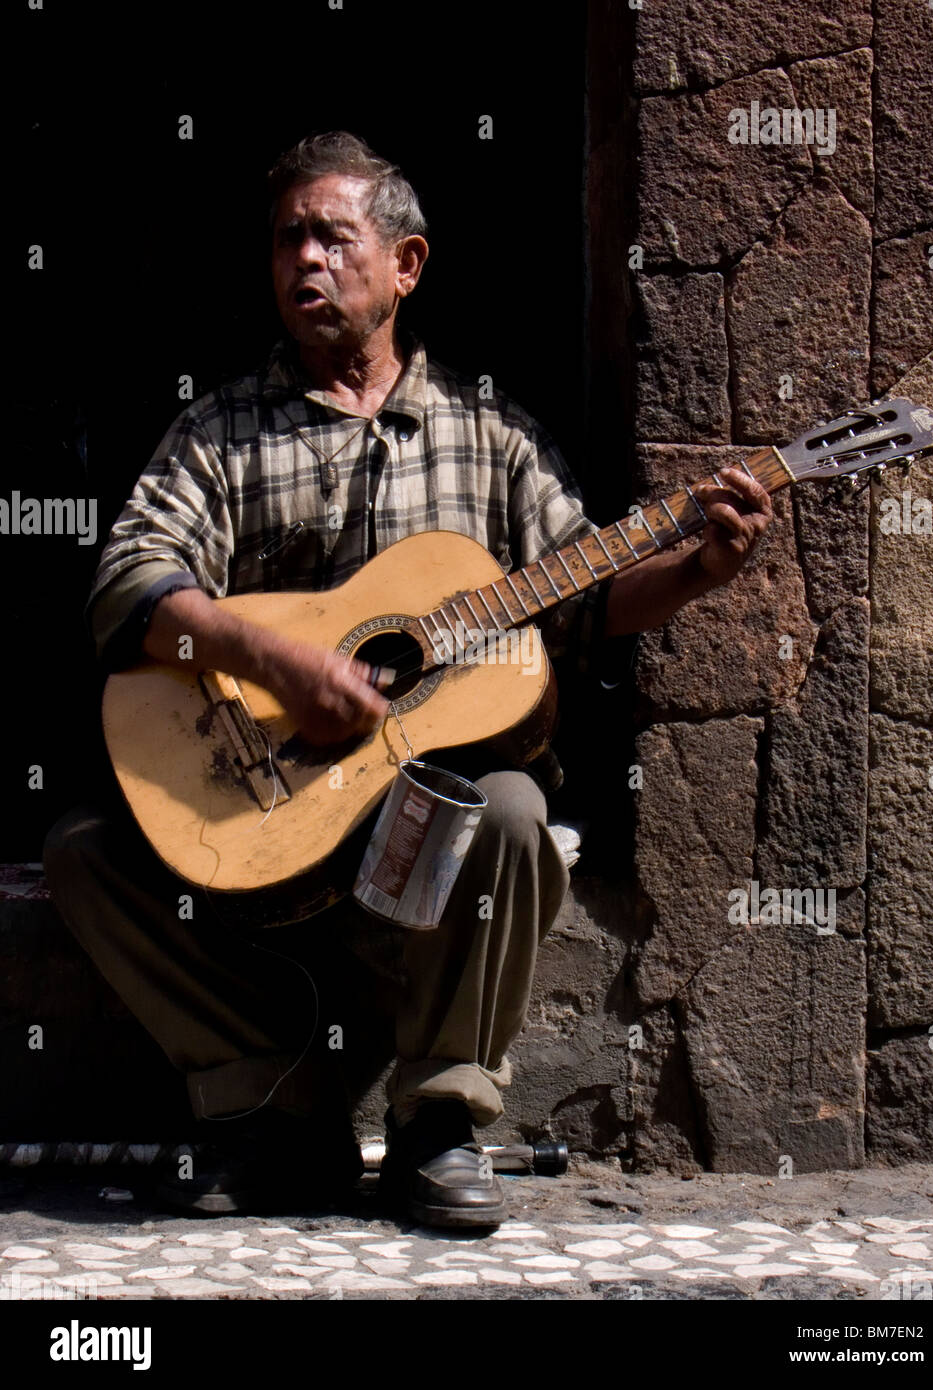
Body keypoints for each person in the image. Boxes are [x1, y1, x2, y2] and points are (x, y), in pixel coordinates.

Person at [42, 131, 773, 1228]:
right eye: (287, 239)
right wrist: (270, 656)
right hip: (260, 816)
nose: (305, 261)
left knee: (517, 811)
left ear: (405, 265)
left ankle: (437, 1123)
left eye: (333, 238)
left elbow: (577, 607)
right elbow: (125, 587)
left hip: (414, 842)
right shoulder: (220, 430)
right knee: (85, 856)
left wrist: (695, 570)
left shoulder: (491, 438)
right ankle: (276, 1111)